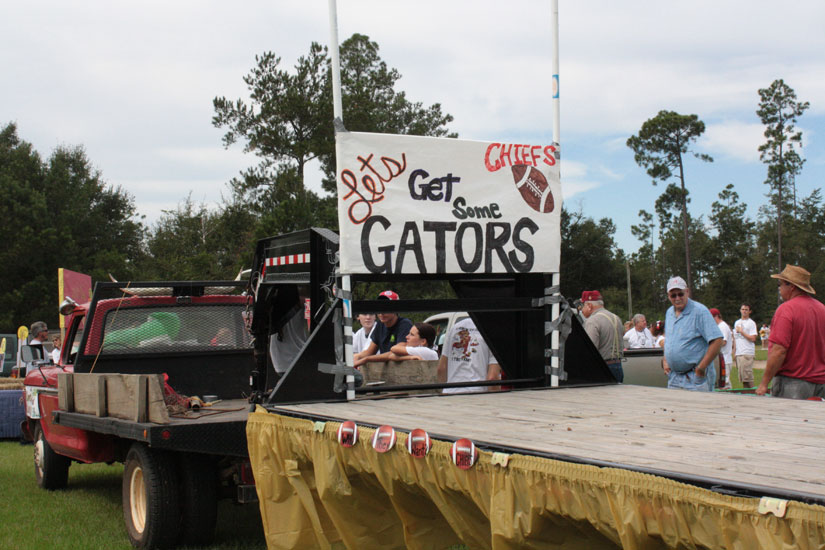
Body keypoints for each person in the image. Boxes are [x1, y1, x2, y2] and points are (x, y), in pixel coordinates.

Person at [756, 265, 825, 399]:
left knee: (787, 420)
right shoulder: (822, 308)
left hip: (793, 383)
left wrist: (764, 383)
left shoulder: (786, 309)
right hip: (821, 383)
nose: (779, 288)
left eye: (780, 284)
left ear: (791, 286)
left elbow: (779, 351)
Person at [662, 276, 723, 392]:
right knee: (673, 410)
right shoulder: (669, 313)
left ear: (687, 292)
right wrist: (665, 360)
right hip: (673, 378)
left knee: (699, 410)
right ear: (668, 296)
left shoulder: (700, 311)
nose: (677, 298)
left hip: (695, 379)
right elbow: (669, 338)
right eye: (673, 295)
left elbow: (717, 340)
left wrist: (701, 368)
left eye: (680, 294)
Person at [437, 317, 500, 394]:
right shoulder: (494, 331)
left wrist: (447, 389)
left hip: (450, 393)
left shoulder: (455, 327)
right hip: (478, 395)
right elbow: (492, 378)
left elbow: (441, 369)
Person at [353, 290, 413, 365]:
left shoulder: (404, 324)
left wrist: (365, 359)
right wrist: (355, 357)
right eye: (380, 306)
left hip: (403, 369)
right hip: (386, 370)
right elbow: (369, 352)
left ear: (396, 308)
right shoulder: (380, 325)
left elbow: (396, 353)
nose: (382, 312)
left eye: (386, 307)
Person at [580, 290, 624, 382]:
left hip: (603, 369)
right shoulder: (617, 318)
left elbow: (590, 350)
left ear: (589, 306)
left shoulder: (593, 321)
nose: (581, 310)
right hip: (618, 366)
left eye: (583, 305)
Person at [733, 303, 758, 389]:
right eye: (743, 309)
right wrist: (734, 352)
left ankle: (755, 395)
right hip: (739, 353)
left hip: (747, 352)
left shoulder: (751, 323)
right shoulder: (737, 322)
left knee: (748, 378)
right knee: (743, 379)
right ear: (740, 310)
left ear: (749, 311)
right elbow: (736, 339)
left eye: (746, 310)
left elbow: (753, 338)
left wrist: (742, 332)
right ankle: (747, 395)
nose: (744, 311)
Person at [710, 308, 733, 390]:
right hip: (722, 359)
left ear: (716, 316)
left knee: (724, 384)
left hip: (725, 359)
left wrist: (712, 345)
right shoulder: (719, 326)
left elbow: (723, 342)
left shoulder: (722, 326)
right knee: (724, 383)